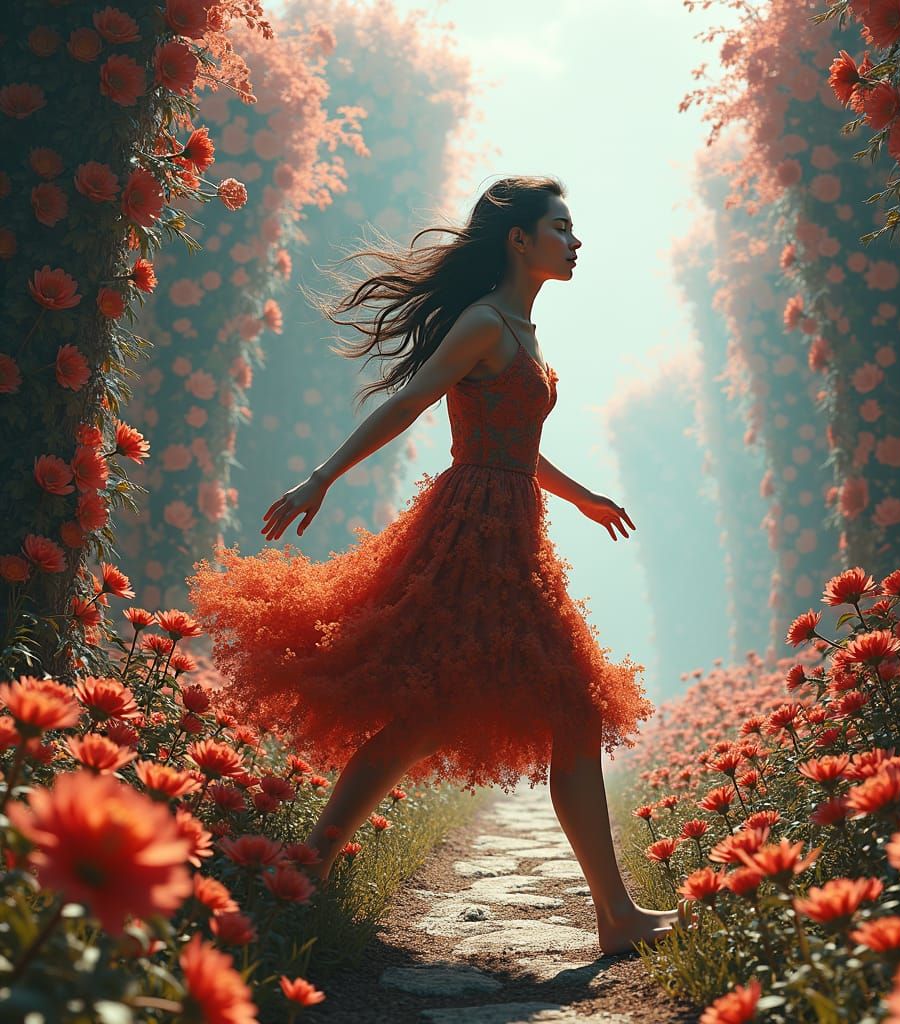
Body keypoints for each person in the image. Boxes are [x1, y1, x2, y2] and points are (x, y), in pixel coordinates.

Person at [187, 175, 679, 955]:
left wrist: (582, 496)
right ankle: (302, 876)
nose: (575, 242)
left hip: (513, 529)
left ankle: (612, 915)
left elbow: (513, 442)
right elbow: (414, 400)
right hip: (471, 534)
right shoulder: (486, 323)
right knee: (446, 711)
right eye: (560, 227)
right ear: (519, 239)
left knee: (527, 711)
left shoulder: (522, 328)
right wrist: (322, 475)